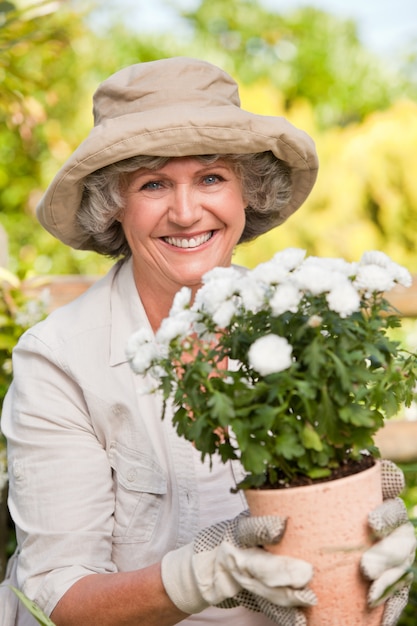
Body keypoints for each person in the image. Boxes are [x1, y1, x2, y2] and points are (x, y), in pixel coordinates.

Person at [0, 57, 415, 626]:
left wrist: (365, 560)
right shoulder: (61, 358)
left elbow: (329, 557)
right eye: (153, 184)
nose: (187, 212)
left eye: (211, 178)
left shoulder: (302, 331)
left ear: (248, 191)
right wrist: (207, 574)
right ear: (113, 206)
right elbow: (56, 597)